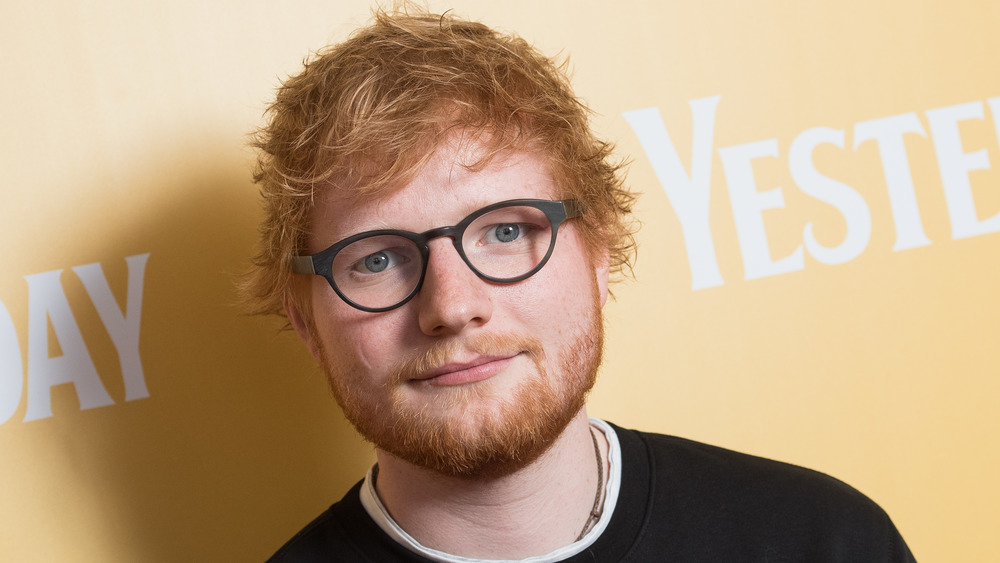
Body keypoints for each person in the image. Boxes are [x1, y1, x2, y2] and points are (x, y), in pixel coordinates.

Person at [245, 7, 916, 562]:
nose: (452, 305)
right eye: (377, 259)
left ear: (600, 248)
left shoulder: (823, 540)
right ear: (305, 321)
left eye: (505, 232)